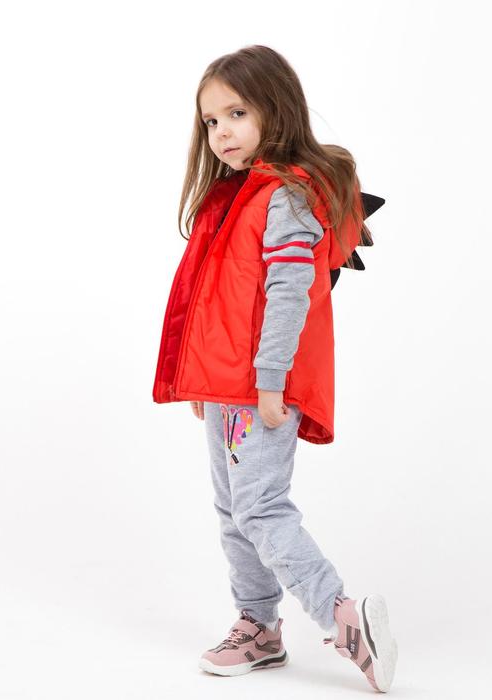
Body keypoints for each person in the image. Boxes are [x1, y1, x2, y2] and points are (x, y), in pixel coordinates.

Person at [152, 44, 397, 692]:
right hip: (228, 386)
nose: (221, 131)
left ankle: (344, 618)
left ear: (276, 109)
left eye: (237, 113)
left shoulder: (284, 198)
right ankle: (259, 627)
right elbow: (222, 300)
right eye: (211, 120)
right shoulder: (235, 196)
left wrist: (268, 384)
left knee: (260, 508)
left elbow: (289, 297)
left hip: (260, 388)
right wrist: (204, 378)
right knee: (234, 510)